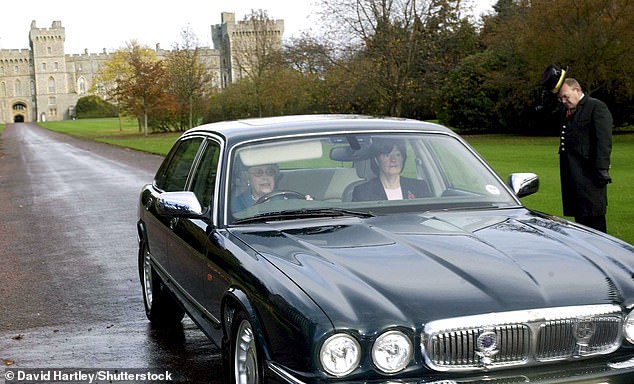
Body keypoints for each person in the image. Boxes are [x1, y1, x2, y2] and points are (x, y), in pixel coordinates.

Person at [557, 78, 613, 232]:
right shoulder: (567, 111)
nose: (563, 101)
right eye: (561, 98)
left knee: (594, 221)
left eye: (566, 96)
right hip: (573, 175)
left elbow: (603, 141)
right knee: (580, 221)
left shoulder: (596, 107)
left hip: (590, 176)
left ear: (577, 90)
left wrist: (601, 170)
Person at [352, 138, 431, 201]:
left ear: (403, 159)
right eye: (387, 155)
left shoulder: (419, 187)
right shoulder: (362, 192)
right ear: (376, 160)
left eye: (398, 154)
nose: (393, 160)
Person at [232, 163, 312, 212]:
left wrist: (309, 206)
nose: (265, 177)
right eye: (258, 172)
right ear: (248, 178)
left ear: (275, 176)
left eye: (270, 172)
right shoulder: (237, 204)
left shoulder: (289, 199)